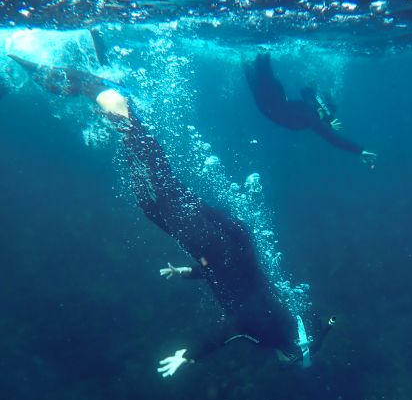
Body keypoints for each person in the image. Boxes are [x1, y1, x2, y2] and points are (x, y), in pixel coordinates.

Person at [8, 53, 334, 377]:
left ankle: (127, 121)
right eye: (290, 363)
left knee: (157, 200)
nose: (283, 363)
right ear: (295, 355)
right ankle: (122, 113)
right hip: (212, 245)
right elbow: (234, 327)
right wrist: (190, 356)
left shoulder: (285, 312)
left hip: (230, 239)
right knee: (160, 191)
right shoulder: (272, 335)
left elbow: (234, 278)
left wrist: (186, 272)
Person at [245, 53, 377, 167]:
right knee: (253, 66)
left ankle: (260, 50)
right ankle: (253, 56)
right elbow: (306, 93)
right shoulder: (311, 114)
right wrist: (358, 151)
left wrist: (358, 150)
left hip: (271, 102)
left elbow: (333, 139)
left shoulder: (311, 119)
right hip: (268, 105)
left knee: (261, 61)